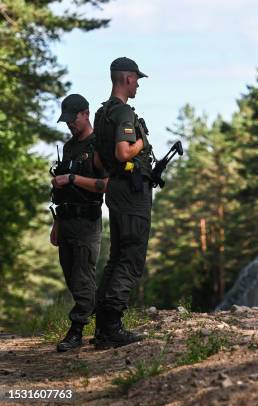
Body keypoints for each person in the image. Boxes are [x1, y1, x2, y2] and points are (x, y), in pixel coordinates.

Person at [93, 57, 153, 349]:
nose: (139, 84)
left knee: (116, 256)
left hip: (115, 190)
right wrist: (141, 142)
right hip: (131, 193)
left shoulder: (101, 114)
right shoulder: (124, 113)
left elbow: (97, 160)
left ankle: (102, 328)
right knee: (130, 257)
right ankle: (113, 328)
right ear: (127, 79)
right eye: (137, 79)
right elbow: (122, 152)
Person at [50, 94, 108, 352]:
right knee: (72, 278)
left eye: (72, 120)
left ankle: (76, 331)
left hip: (87, 221)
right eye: (66, 121)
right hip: (66, 220)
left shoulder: (98, 145)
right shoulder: (70, 146)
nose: (69, 125)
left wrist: (73, 178)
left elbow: (106, 185)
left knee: (83, 278)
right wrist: (56, 223)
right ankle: (105, 324)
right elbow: (62, 191)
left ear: (85, 114)